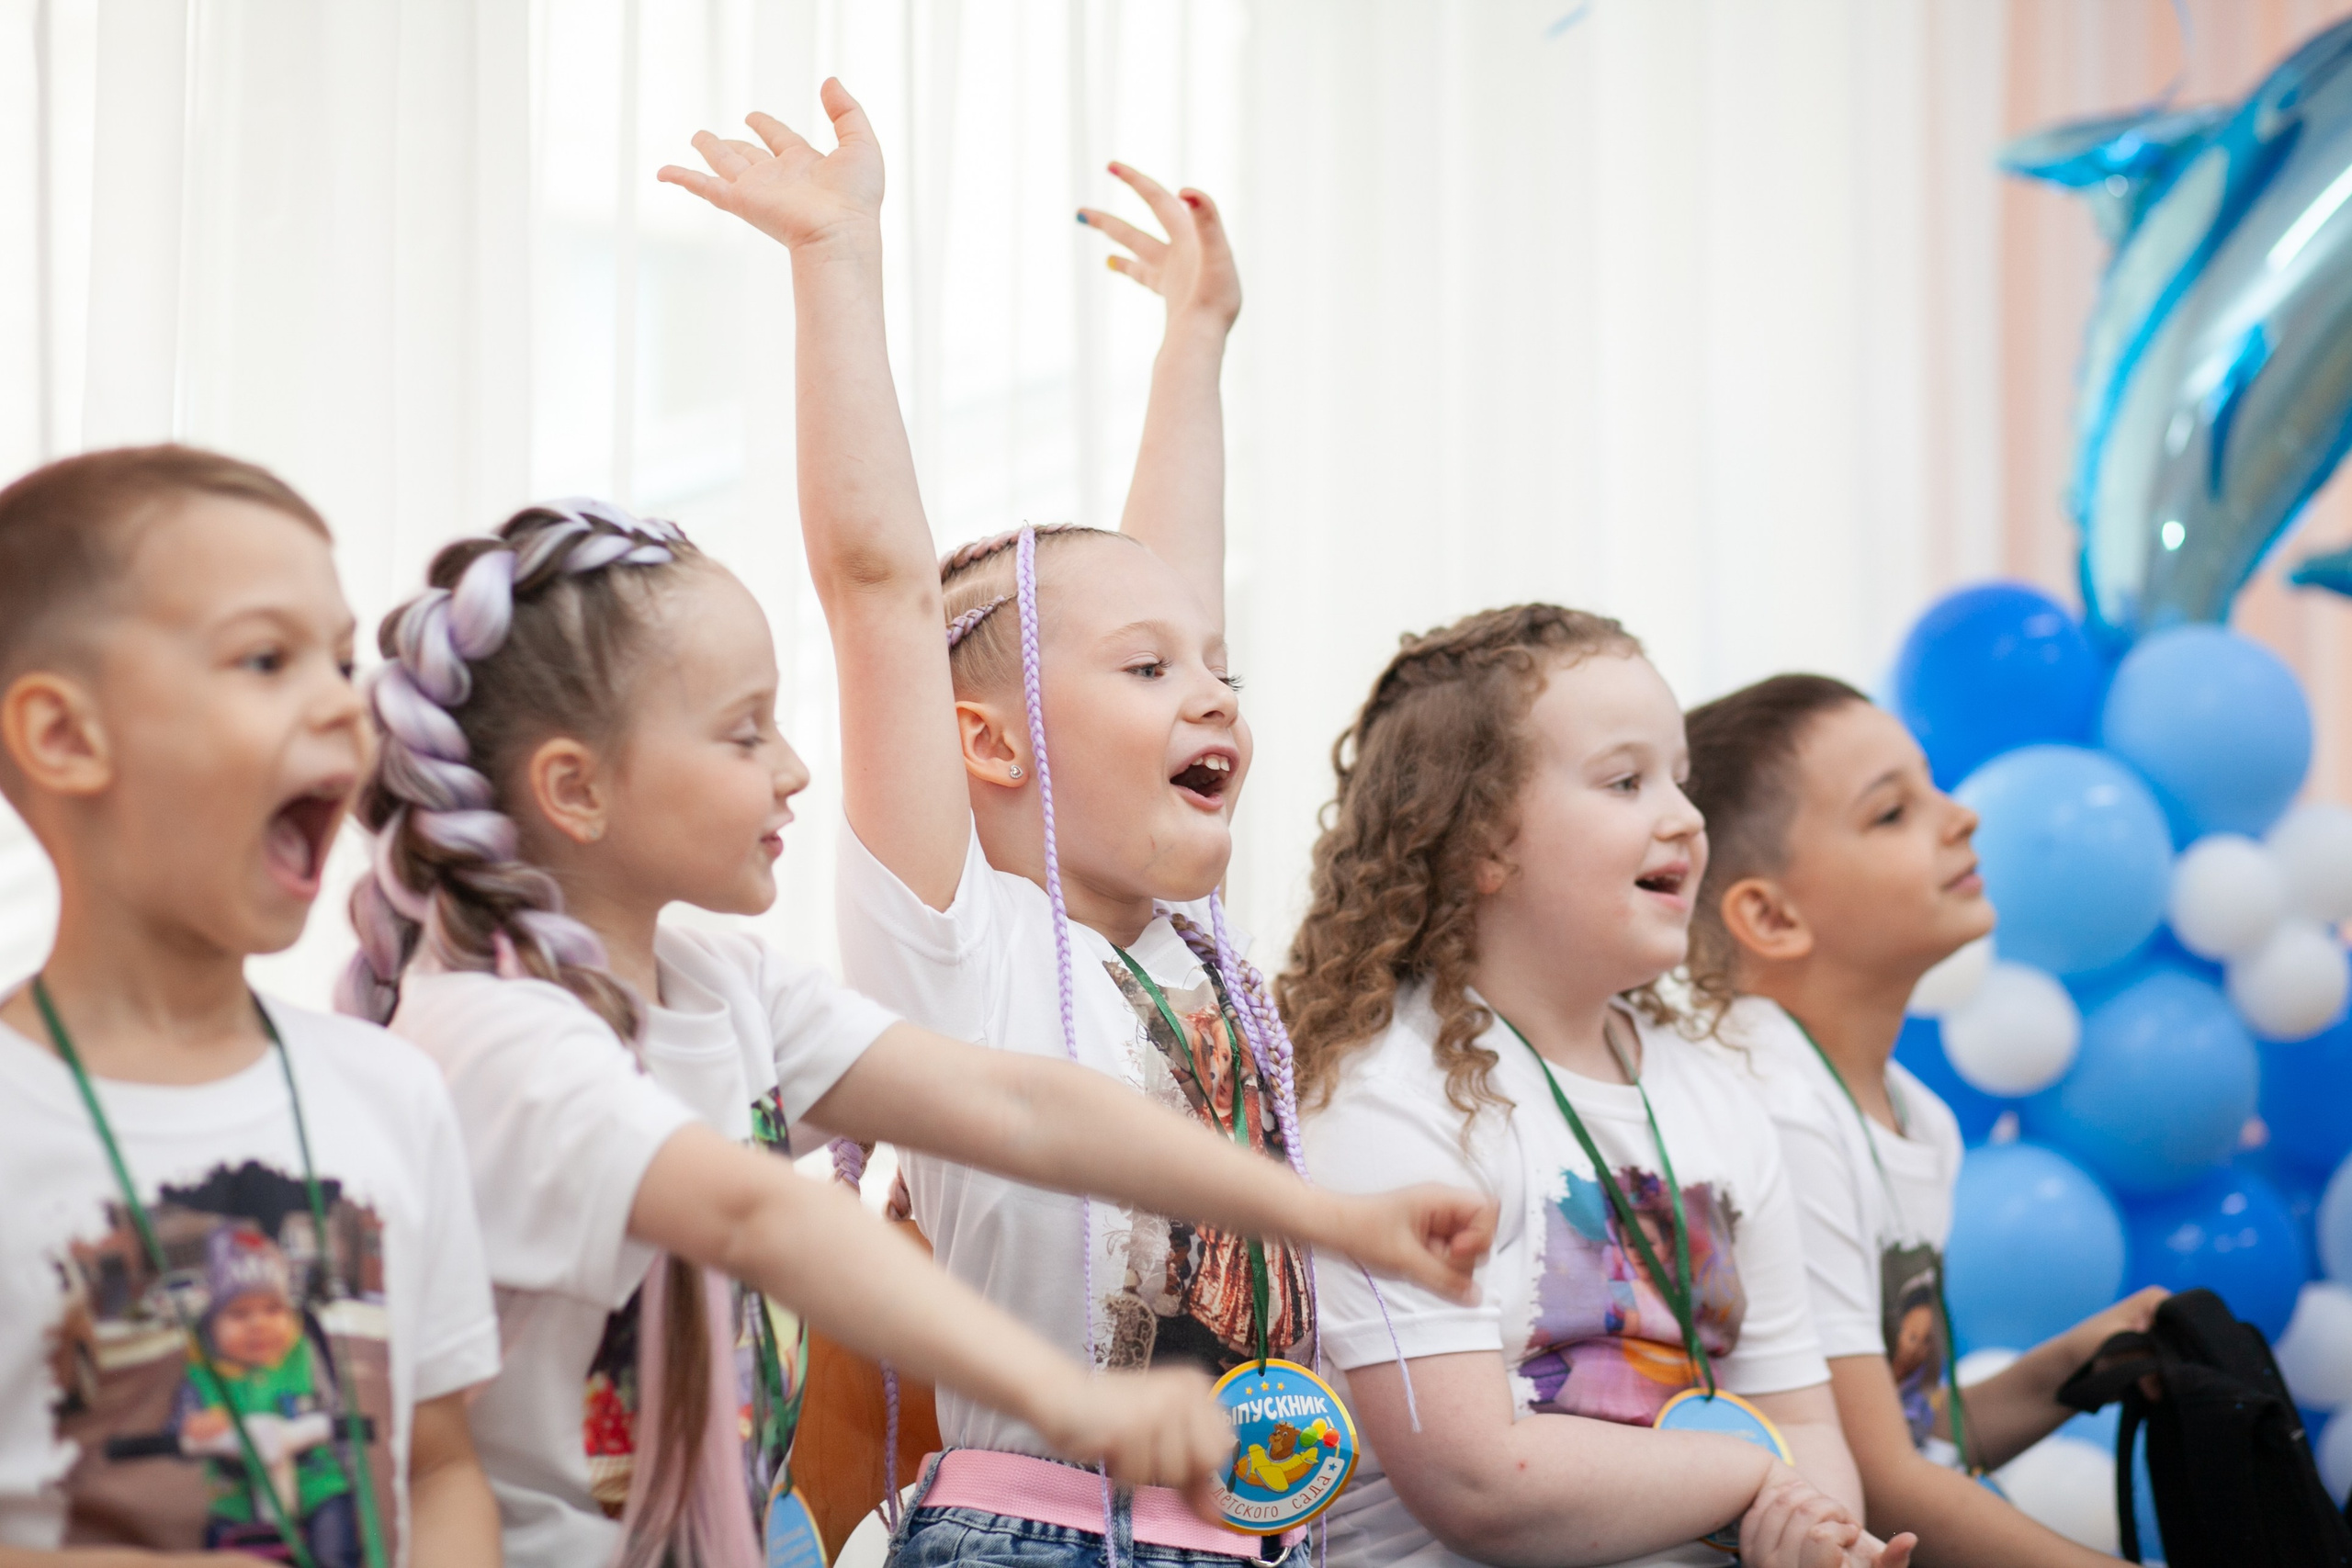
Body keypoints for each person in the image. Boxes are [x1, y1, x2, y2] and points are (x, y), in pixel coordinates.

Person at [658, 80, 1496, 1568]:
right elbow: (881, 592)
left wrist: (1196, 340)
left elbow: (1169, 577)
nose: (1213, 694)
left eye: (1221, 672)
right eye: (1150, 672)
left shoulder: (1194, 958)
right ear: (983, 739)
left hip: (1258, 1542)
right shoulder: (960, 941)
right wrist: (836, 256)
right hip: (1040, 1537)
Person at [348, 491, 1490, 1568]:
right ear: (576, 788)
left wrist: (1329, 1217)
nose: (794, 770)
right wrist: (1070, 1397)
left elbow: (1019, 1104)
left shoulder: (727, 987)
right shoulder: (491, 1031)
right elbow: (757, 1219)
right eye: (745, 735)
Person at [1283, 606, 1916, 1568]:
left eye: (1680, 779)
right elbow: (1479, 1482)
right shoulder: (1387, 1100)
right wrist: (1750, 1482)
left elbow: (1801, 1421)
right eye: (1626, 781)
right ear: (1482, 843)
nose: (1685, 818)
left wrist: (1815, 1536)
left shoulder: (1721, 1090)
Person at [0, 446, 502, 1566]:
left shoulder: (392, 1092)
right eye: (267, 659)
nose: (344, 702)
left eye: (338, 659)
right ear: (66, 736)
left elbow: (441, 1464)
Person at [1679, 672, 2167, 1567]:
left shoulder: (1918, 1118)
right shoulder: (1772, 1102)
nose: (1962, 817)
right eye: (1891, 813)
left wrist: (2067, 1369)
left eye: (1932, 783)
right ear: (1771, 914)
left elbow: (1914, 1443)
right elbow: (1879, 1482)